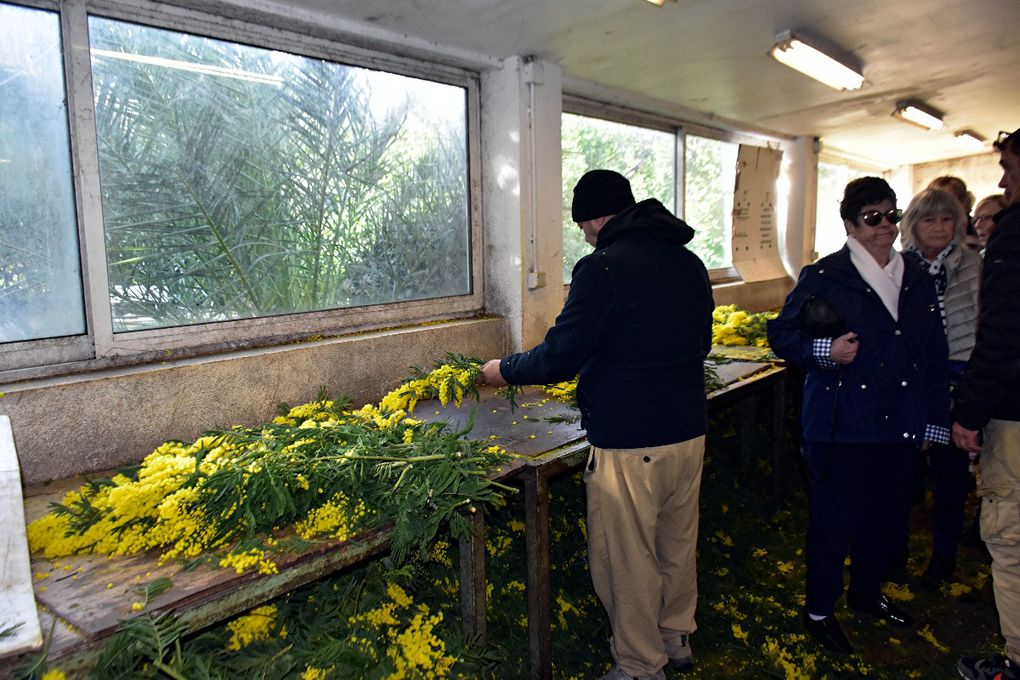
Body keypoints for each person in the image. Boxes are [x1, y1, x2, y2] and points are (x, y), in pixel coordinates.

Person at [480, 169, 713, 680]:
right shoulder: (689, 262)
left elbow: (562, 356)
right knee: (676, 542)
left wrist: (503, 371)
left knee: (626, 559)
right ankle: (675, 639)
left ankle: (638, 664)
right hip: (689, 432)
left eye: (584, 226)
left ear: (597, 218)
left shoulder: (603, 267)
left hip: (632, 442)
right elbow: (702, 342)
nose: (585, 236)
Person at [767, 176, 950, 655]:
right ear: (850, 223)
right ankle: (819, 610)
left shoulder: (914, 275)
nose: (885, 227)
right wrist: (825, 349)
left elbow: (933, 351)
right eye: (873, 218)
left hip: (897, 420)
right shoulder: (826, 275)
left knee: (886, 519)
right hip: (840, 424)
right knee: (834, 521)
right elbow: (782, 336)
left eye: (892, 215)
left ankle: (867, 593)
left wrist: (933, 419)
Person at [954, 128, 1020, 680]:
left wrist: (969, 414)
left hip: (1016, 414)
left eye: (1011, 169)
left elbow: (999, 338)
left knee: (1011, 533)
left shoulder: (1014, 238)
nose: (1002, 180)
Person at [900, 188, 982, 587]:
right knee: (901, 473)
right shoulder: (897, 267)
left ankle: (943, 558)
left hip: (956, 381)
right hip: (909, 382)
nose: (938, 227)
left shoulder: (974, 265)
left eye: (946, 219)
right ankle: (892, 553)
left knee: (950, 476)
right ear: (913, 225)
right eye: (929, 220)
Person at [928, 175, 980, 250]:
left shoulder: (977, 227)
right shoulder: (923, 227)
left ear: (964, 202)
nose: (940, 206)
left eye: (947, 201)